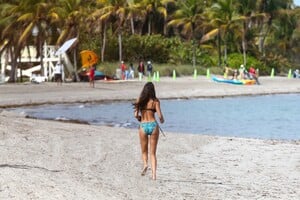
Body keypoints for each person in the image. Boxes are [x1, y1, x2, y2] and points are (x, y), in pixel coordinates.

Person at [133, 82, 164, 180]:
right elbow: (160, 116)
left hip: (143, 125)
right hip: (153, 125)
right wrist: (162, 120)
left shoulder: (139, 100)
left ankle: (145, 164)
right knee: (153, 153)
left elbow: (135, 115)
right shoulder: (155, 101)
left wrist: (139, 117)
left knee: (144, 151)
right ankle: (154, 175)